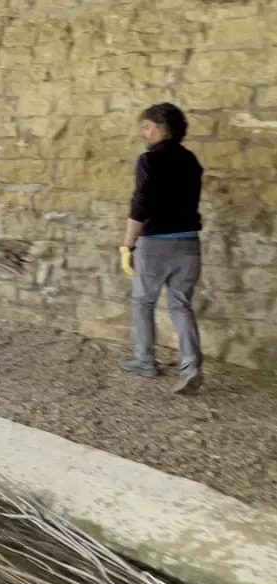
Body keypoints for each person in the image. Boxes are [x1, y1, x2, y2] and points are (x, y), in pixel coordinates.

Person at [119, 103, 204, 395]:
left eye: (147, 127)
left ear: (162, 127)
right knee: (181, 305)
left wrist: (127, 245)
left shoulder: (149, 160)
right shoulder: (191, 160)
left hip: (156, 243)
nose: (144, 132)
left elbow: (140, 204)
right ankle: (191, 368)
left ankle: (145, 360)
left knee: (144, 302)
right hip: (189, 243)